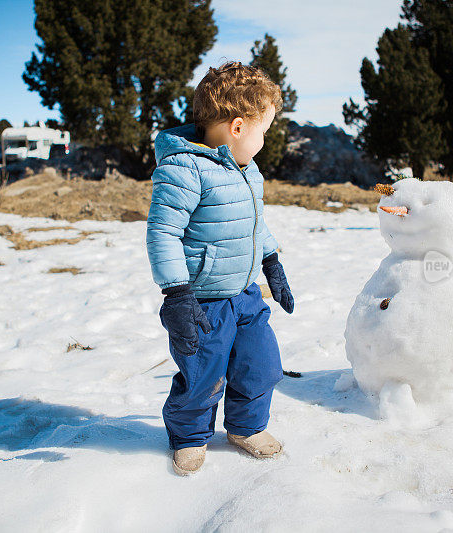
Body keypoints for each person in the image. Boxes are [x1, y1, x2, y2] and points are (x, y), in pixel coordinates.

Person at [146, 61, 294, 476]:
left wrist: (271, 262)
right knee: (202, 374)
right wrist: (176, 294)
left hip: (245, 294)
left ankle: (246, 427)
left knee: (260, 364)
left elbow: (253, 223)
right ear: (238, 127)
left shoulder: (248, 171)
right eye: (264, 131)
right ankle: (189, 436)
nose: (264, 141)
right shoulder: (184, 168)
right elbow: (162, 234)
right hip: (203, 302)